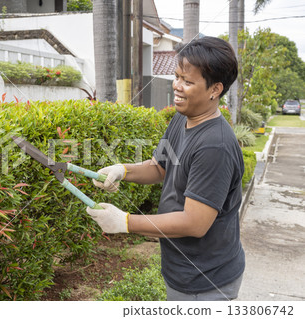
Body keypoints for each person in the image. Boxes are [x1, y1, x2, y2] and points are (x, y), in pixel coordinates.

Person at [86, 37, 245, 301]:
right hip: (183, 270)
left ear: (215, 89)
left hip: (206, 281)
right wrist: (122, 170)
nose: (177, 86)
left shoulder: (214, 146)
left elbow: (194, 223)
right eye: (177, 76)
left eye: (188, 81)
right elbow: (159, 168)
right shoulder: (182, 119)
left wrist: (125, 222)